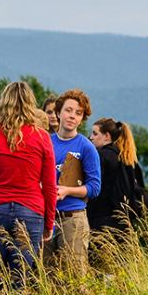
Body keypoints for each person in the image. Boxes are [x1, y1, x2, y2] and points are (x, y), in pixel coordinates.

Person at [0, 81, 57, 287]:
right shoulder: (42, 137)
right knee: (22, 278)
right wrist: (49, 223)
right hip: (31, 211)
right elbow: (49, 185)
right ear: (30, 103)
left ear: (3, 103)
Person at [46, 89, 101, 277]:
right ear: (58, 112)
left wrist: (67, 190)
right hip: (46, 217)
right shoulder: (46, 142)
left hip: (73, 218)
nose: (72, 116)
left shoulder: (86, 146)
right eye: (69, 110)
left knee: (75, 277)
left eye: (78, 113)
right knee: (46, 276)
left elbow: (94, 187)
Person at [88, 117, 148, 234]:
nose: (91, 137)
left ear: (107, 136)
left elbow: (95, 190)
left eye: (95, 133)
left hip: (102, 220)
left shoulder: (101, 156)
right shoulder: (126, 158)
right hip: (124, 222)